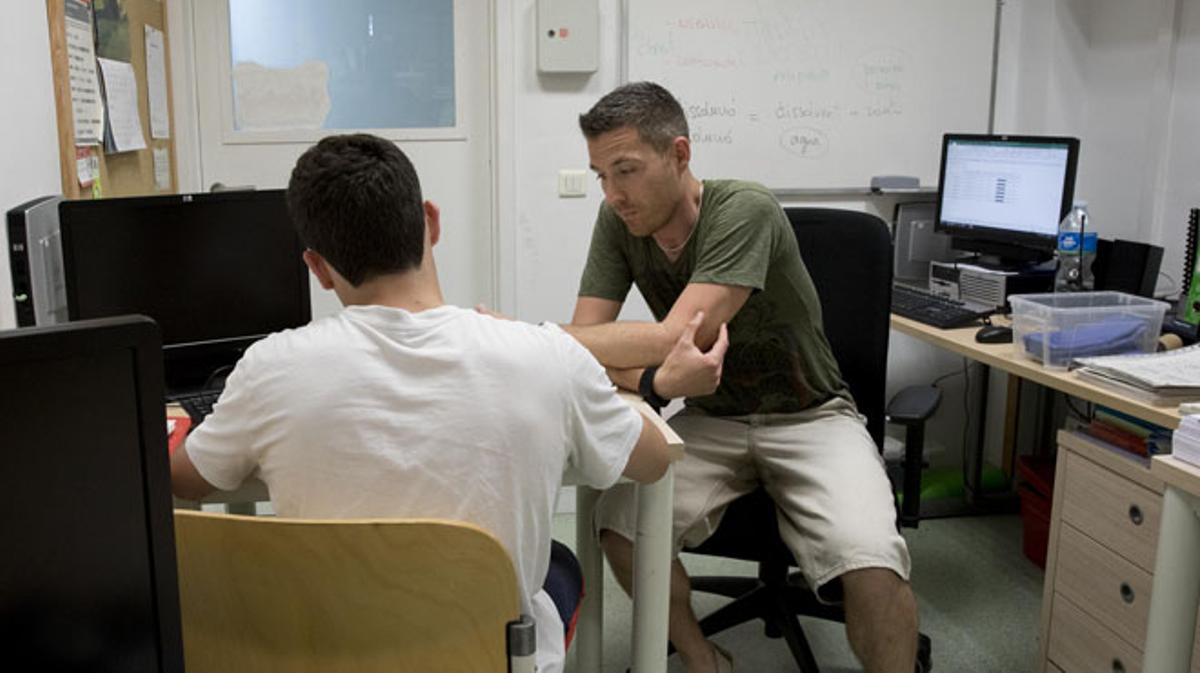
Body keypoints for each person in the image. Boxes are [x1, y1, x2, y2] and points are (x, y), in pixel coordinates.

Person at [168, 133, 729, 673]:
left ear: (316, 267)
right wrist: (623, 393)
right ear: (431, 223)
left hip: (326, 650)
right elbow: (654, 461)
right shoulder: (547, 359)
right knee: (554, 564)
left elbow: (188, 481)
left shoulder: (270, 368)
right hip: (490, 654)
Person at [560, 82, 918, 673]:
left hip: (812, 416)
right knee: (617, 527)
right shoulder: (617, 223)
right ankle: (704, 659)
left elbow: (674, 337)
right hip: (712, 417)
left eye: (625, 170)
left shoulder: (743, 208)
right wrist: (655, 377)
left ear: (680, 155)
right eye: (601, 175)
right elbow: (589, 347)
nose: (613, 194)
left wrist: (551, 339)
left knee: (872, 560)